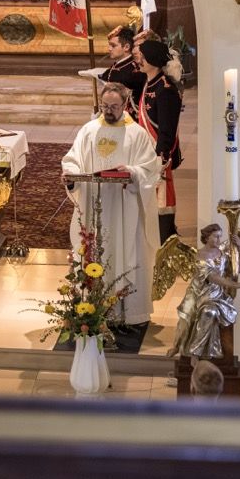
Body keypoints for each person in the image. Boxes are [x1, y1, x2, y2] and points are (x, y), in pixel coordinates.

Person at [61, 83, 161, 325]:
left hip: (125, 208)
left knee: (125, 251)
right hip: (94, 203)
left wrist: (132, 172)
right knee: (93, 251)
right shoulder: (89, 130)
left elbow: (150, 169)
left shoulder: (137, 134)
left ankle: (128, 313)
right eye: (105, 106)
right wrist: (71, 177)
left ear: (125, 105)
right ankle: (92, 307)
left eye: (114, 107)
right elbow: (72, 159)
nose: (108, 111)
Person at [167, 223, 240, 361]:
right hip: (197, 294)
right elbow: (214, 278)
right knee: (185, 322)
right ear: (207, 237)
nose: (219, 239)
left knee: (210, 313)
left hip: (215, 295)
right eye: (216, 236)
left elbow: (238, 269)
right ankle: (176, 345)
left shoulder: (222, 252)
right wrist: (235, 284)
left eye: (220, 236)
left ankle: (196, 353)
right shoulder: (200, 256)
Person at [136, 38, 183, 245]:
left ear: (153, 60)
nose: (139, 60)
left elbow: (167, 129)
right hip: (145, 154)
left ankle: (164, 243)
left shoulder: (165, 90)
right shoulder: (150, 82)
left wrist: (161, 156)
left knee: (162, 201)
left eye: (143, 57)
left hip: (158, 156)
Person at [81, 27, 146, 120]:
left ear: (126, 47)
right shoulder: (119, 64)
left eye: (113, 45)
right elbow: (108, 74)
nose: (109, 49)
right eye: (109, 45)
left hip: (126, 119)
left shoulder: (132, 70)